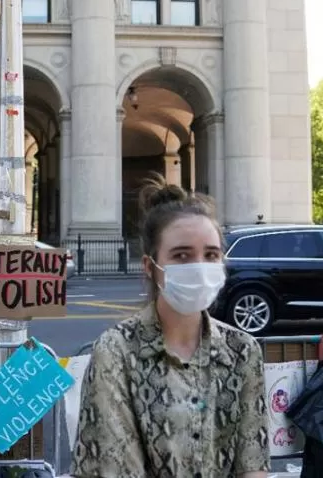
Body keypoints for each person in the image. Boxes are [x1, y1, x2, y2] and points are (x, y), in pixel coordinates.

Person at [71, 178, 269, 478]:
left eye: (211, 255)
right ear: (150, 267)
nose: (199, 266)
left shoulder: (242, 350)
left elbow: (253, 462)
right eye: (181, 255)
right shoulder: (117, 351)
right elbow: (115, 466)